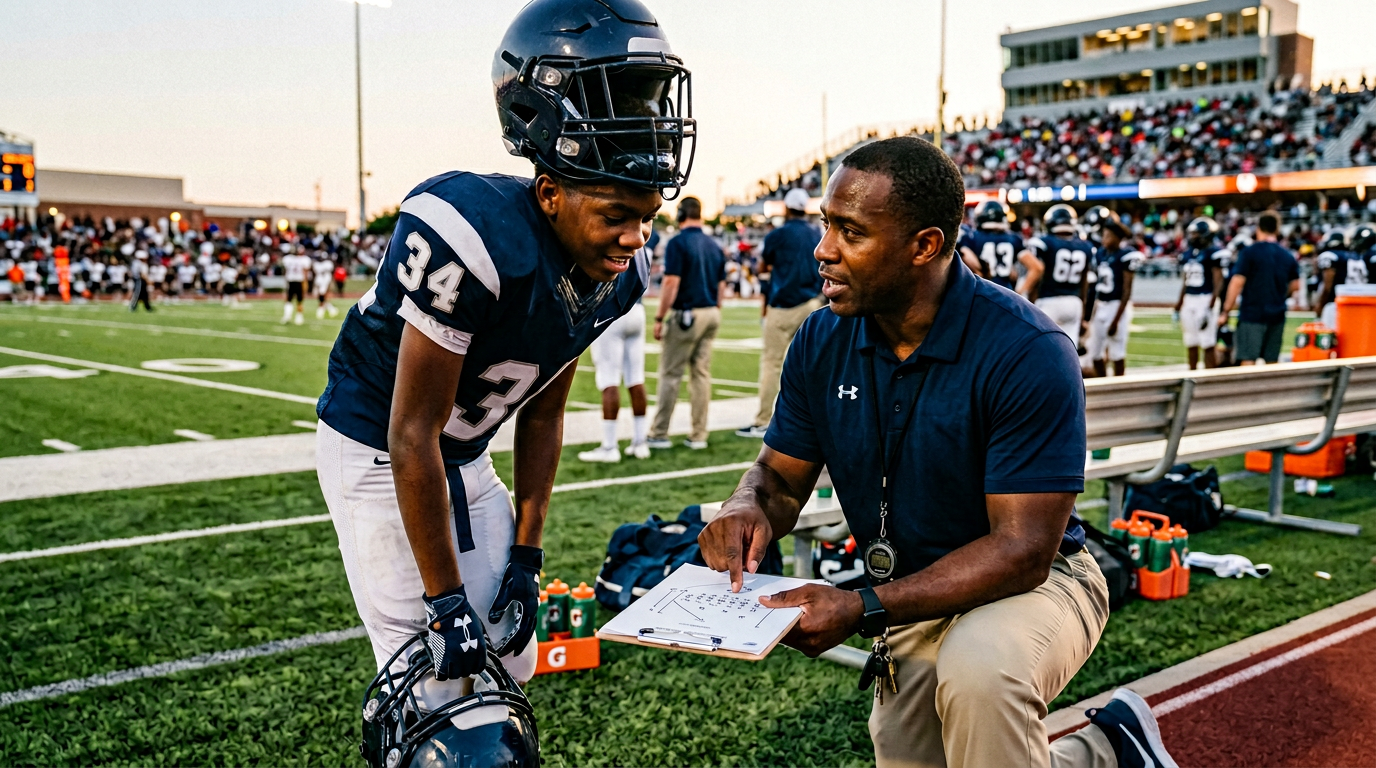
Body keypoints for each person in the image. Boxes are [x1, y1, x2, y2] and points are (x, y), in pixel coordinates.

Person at [698, 136, 1175, 768]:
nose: (823, 250)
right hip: (914, 589)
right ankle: (1105, 751)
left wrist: (861, 606)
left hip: (1039, 582)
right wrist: (746, 506)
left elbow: (1021, 551)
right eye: (826, 225)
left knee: (980, 673)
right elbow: (778, 480)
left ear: (924, 245)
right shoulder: (821, 338)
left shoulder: (1025, 348)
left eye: (851, 231)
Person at [313, 0, 693, 758]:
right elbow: (409, 430)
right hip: (378, 446)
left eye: (646, 215)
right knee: (441, 683)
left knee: (511, 657)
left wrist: (529, 553)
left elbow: (543, 411)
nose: (635, 236)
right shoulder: (471, 230)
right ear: (550, 191)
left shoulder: (620, 272)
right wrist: (445, 602)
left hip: (462, 451)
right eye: (617, 212)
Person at [738, 188, 824, 438]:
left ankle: (764, 420)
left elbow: (763, 265)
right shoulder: (816, 232)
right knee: (813, 366)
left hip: (783, 304)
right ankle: (818, 421)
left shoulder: (778, 234)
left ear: (786, 208)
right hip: (812, 304)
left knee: (772, 364)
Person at [648, 196, 725, 450]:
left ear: (681, 214)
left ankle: (659, 432)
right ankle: (699, 434)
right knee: (701, 375)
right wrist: (716, 308)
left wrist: (660, 317)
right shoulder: (713, 244)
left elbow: (671, 282)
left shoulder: (678, 242)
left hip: (688, 314)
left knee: (671, 374)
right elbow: (722, 284)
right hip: (711, 311)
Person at [577, 289, 650, 463]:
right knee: (636, 378)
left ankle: (610, 447)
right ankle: (640, 443)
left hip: (610, 310)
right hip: (637, 309)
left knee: (609, 379)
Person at [1220, 211, 1299, 365]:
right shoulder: (1287, 255)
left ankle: (1247, 389)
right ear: (1277, 229)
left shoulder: (1249, 253)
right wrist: (1280, 296)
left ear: (1258, 228)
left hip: (1252, 313)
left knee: (1248, 359)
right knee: (1271, 361)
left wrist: (1226, 310)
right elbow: (1296, 285)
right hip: (1277, 313)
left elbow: (1237, 282)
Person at [1084, 214, 1142, 377]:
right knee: (1095, 352)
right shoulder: (1101, 254)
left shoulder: (1125, 254)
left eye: (1108, 236)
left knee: (1117, 352)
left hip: (1117, 305)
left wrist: (1116, 319)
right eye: (1104, 235)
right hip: (1100, 304)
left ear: (1117, 238)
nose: (1105, 239)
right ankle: (1104, 382)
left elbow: (1126, 289)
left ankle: (1119, 384)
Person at [1027, 204, 1093, 343]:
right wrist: (1083, 311)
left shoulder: (1045, 242)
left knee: (1042, 347)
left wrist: (1031, 303)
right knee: (1070, 349)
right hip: (1074, 302)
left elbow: (1038, 274)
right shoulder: (1085, 246)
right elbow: (1085, 282)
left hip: (1049, 300)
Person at [1173, 217, 1228, 369]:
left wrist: (1210, 306)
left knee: (1207, 342)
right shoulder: (1189, 253)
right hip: (1189, 298)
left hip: (1205, 297)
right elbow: (1185, 281)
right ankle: (1192, 375)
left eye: (1196, 234)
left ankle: (1209, 381)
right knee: (1190, 341)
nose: (1193, 237)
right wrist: (1179, 304)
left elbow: (1218, 281)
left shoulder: (1214, 252)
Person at [958, 200, 1042, 296]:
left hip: (981, 293)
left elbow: (969, 263)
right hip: (1006, 294)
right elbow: (1037, 268)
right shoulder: (1013, 238)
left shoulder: (971, 237)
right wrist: (1020, 293)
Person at [1316, 226, 1370, 329]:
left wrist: (1320, 304)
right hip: (1357, 303)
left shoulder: (1330, 255)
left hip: (1336, 304)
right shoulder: (1355, 256)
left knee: (1329, 339)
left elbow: (1327, 284)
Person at [281, 245, 312, 325]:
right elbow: (305, 271)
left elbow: (285, 270)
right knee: (299, 300)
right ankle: (298, 317)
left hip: (291, 281)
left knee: (289, 300)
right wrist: (306, 282)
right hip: (299, 281)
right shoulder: (303, 259)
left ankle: (288, 316)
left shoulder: (287, 259)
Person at [313, 253, 338, 319]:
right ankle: (331, 309)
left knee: (323, 297)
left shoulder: (327, 264)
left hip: (325, 281)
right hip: (320, 281)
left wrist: (331, 282)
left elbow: (330, 273)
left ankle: (323, 310)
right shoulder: (317, 264)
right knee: (321, 297)